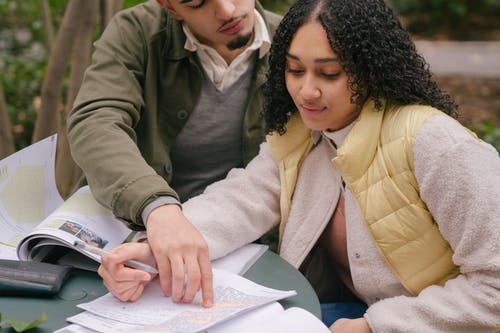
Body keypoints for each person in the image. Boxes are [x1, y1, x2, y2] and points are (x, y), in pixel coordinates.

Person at [98, 0, 500, 331]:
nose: (306, 91)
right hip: (339, 315)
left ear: (373, 70)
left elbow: (494, 290)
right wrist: (154, 250)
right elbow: (242, 200)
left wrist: (378, 326)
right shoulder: (303, 135)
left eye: (329, 73)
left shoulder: (437, 145)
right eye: (293, 70)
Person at [67, 0, 281, 307]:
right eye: (197, 3)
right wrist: (157, 208)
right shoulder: (138, 32)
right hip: (136, 235)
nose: (227, 10)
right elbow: (96, 121)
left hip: (241, 246)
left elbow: (276, 176)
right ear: (170, 7)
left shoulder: (294, 44)